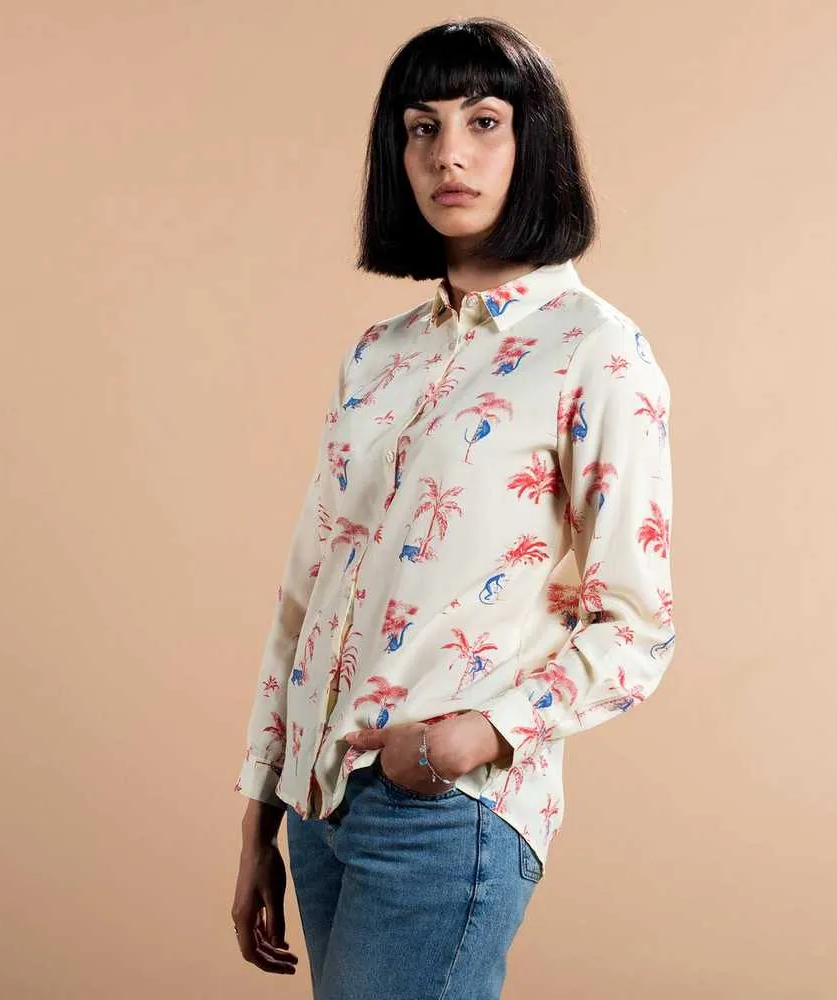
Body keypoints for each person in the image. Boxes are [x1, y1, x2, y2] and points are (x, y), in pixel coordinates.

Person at [231, 16, 677, 1000]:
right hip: (317, 806)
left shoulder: (593, 349)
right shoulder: (377, 354)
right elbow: (308, 591)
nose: (449, 155)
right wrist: (262, 805)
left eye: (483, 122)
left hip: (445, 805)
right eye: (421, 128)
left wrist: (471, 737)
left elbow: (637, 626)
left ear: (532, 143)